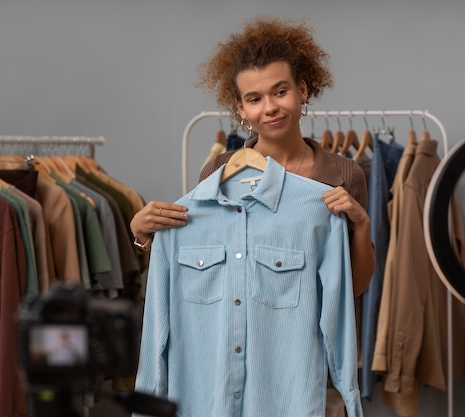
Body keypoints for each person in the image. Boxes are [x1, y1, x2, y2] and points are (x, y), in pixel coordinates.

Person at [130, 17, 375, 417]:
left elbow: (353, 288)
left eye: (280, 91)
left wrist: (361, 224)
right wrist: (141, 236)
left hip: (303, 377)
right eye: (255, 98)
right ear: (241, 108)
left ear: (303, 90)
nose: (270, 107)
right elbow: (192, 263)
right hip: (218, 384)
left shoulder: (344, 175)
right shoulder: (217, 173)